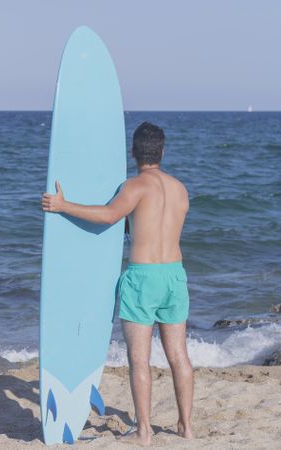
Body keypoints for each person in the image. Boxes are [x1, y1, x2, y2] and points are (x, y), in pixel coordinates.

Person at [41, 121, 193, 446]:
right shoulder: (180, 189)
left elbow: (110, 215)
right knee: (179, 356)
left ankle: (144, 431)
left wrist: (63, 205)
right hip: (175, 275)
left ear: (133, 152)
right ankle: (186, 427)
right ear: (162, 151)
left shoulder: (135, 187)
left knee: (140, 360)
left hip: (143, 277)